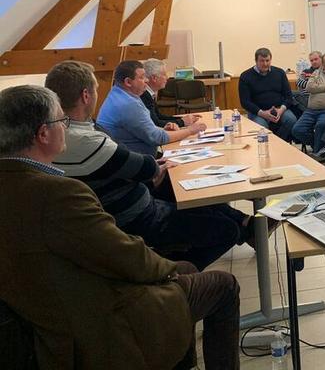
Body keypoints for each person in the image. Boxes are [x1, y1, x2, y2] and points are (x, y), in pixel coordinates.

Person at [0, 85, 240, 369]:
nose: (67, 128)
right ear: (43, 134)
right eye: (61, 122)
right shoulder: (56, 194)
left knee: (187, 266)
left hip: (46, 311)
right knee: (223, 285)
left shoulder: (19, 185)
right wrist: (168, 270)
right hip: (96, 317)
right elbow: (126, 257)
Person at [46, 60, 255, 271]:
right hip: (137, 215)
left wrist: (151, 166)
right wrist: (157, 164)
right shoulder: (88, 137)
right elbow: (145, 165)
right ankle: (169, 273)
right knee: (225, 228)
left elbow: (129, 160)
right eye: (96, 89)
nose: (146, 80)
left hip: (125, 202)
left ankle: (247, 226)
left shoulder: (60, 131)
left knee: (200, 202)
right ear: (85, 95)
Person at [97, 60, 207, 157]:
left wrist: (163, 130)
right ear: (128, 82)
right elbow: (157, 138)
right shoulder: (128, 104)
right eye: (141, 77)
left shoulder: (119, 94)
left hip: (132, 157)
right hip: (137, 164)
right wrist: (190, 130)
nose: (146, 80)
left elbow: (148, 130)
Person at [238, 47, 297, 141]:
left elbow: (288, 96)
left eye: (267, 60)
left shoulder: (280, 73)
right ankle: (270, 146)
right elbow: (245, 102)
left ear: (271, 60)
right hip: (258, 112)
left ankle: (279, 143)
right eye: (262, 61)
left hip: (279, 109)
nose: (265, 64)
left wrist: (280, 110)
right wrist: (262, 113)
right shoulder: (245, 76)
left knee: (292, 120)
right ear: (256, 61)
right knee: (261, 129)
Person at [141, 58, 201, 129]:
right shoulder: (144, 95)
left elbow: (159, 116)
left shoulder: (149, 93)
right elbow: (155, 123)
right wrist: (182, 122)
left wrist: (183, 119)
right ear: (154, 78)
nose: (167, 77)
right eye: (164, 74)